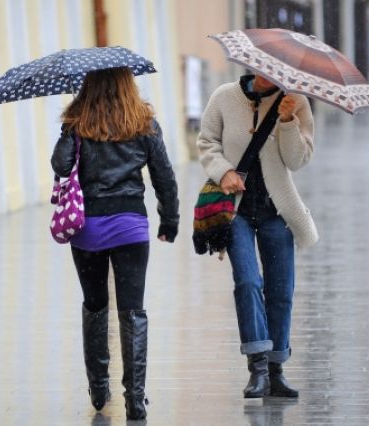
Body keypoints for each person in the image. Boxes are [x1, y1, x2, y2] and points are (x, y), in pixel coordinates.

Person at [51, 67, 179, 420]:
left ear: (88, 87)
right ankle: (135, 397)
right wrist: (170, 220)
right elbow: (164, 177)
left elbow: (60, 167)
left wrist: (68, 130)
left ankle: (99, 386)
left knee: (95, 305)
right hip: (130, 226)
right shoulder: (144, 124)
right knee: (132, 310)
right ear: (128, 84)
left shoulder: (79, 125)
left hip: (88, 228)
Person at [197, 74, 318, 399]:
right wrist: (224, 171)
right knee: (248, 281)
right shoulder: (224, 96)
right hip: (235, 211)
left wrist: (288, 120)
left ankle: (277, 370)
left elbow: (298, 160)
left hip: (276, 210)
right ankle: (258, 369)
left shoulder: (297, 102)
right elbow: (207, 142)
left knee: (281, 290)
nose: (272, 77)